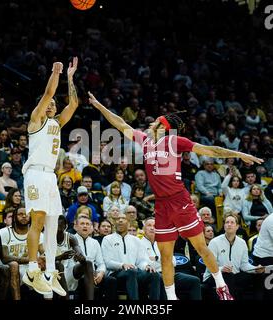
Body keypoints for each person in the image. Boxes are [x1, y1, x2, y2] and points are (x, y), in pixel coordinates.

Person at [88, 91, 263, 300]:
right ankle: (172, 299)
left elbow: (210, 150)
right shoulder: (144, 140)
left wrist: (238, 154)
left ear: (164, 128)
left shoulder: (175, 142)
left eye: (158, 123)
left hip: (180, 200)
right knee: (166, 257)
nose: (153, 124)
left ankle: (220, 285)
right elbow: (121, 124)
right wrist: (99, 106)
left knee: (200, 247)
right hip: (162, 206)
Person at [21, 58, 79, 296]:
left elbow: (74, 103)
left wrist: (70, 78)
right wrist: (56, 73)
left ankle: (50, 271)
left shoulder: (57, 123)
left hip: (50, 177)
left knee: (54, 224)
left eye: (54, 104)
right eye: (49, 103)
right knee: (38, 221)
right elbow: (48, 92)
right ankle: (32, 270)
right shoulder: (36, 121)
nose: (52, 105)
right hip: (34, 173)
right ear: (41, 107)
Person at [0, 206, 44, 300]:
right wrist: (31, 260)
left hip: (30, 268)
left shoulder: (37, 233)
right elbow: (5, 258)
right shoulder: (4, 232)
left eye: (27, 214)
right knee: (14, 265)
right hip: (10, 269)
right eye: (20, 214)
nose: (24, 216)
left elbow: (43, 252)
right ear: (14, 217)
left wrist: (43, 258)